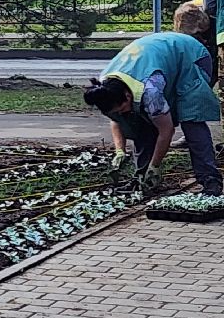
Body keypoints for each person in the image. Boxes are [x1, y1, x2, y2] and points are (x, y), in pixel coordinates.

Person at [84, 31, 222, 196]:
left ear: (128, 96)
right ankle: (143, 179)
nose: (122, 113)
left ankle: (210, 180)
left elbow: (166, 130)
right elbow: (117, 120)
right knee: (139, 122)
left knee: (191, 120)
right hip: (159, 58)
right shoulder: (105, 88)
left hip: (191, 56)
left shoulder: (150, 91)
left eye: (122, 108)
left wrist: (155, 165)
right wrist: (120, 151)